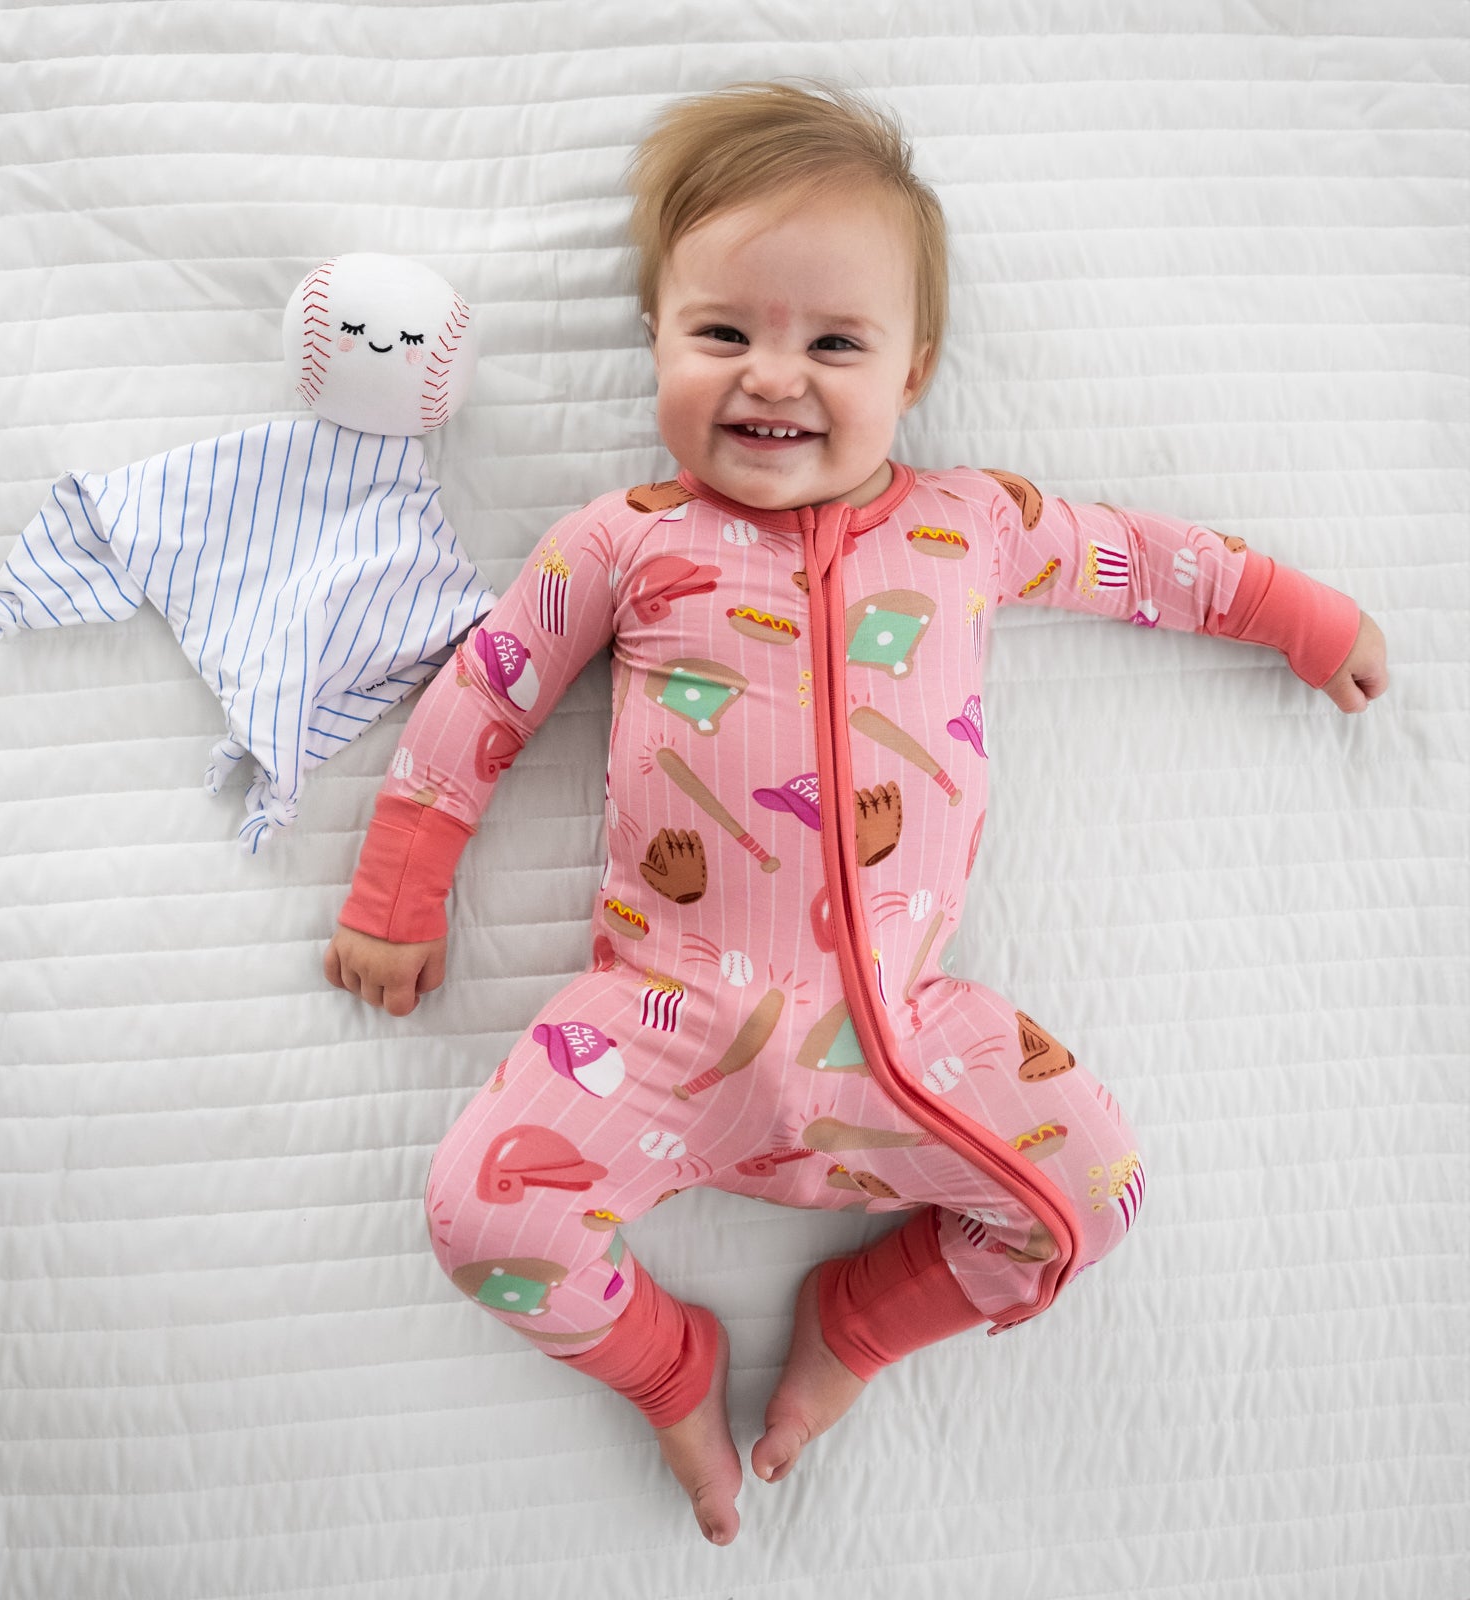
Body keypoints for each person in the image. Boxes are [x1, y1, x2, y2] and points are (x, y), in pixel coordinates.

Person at [323, 80, 1389, 1546]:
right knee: (480, 1223)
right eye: (723, 334)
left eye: (833, 342)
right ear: (656, 341)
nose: (774, 377)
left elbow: (1145, 559)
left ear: (915, 368)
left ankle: (854, 1328)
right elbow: (483, 697)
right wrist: (398, 892)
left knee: (1096, 1194)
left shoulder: (974, 524)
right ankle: (672, 1369)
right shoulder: (626, 542)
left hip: (907, 1038)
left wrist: (1295, 616)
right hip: (660, 1027)